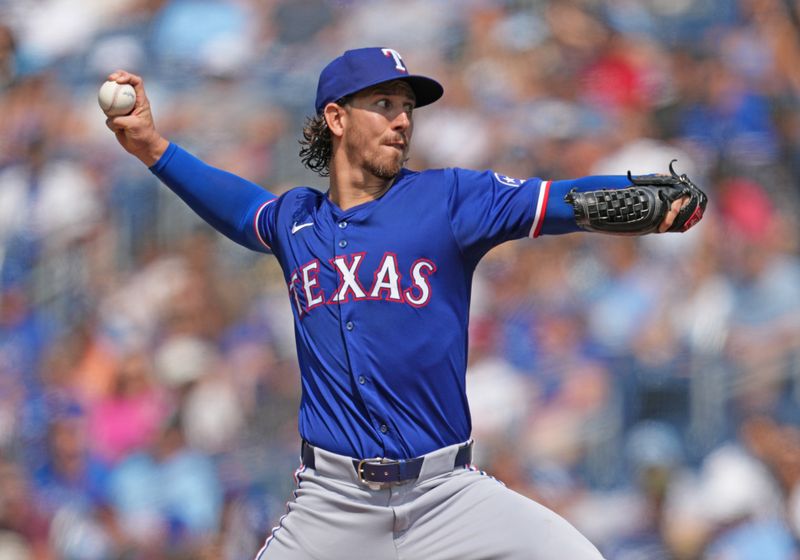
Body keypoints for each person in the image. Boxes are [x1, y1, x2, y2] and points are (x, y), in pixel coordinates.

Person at [104, 47, 706, 560]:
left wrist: (630, 196)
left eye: (408, 108)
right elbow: (237, 205)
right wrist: (154, 146)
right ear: (336, 118)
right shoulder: (295, 223)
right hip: (332, 502)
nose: (402, 121)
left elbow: (554, 201)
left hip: (447, 495)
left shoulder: (447, 199)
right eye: (384, 104)